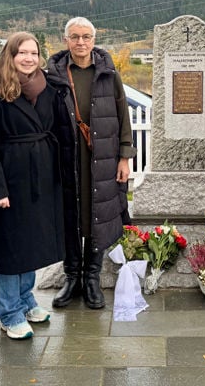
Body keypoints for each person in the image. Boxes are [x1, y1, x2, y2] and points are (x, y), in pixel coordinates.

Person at [0, 32, 64, 339]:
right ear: (10, 56)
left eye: (33, 53)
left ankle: (26, 300)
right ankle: (8, 311)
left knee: (32, 244)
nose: (28, 58)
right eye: (22, 53)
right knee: (11, 247)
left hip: (41, 175)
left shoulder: (47, 87)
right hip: (11, 176)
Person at [47, 17, 136, 309]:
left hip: (103, 158)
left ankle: (92, 279)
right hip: (67, 158)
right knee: (70, 215)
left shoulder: (108, 73)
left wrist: (124, 156)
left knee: (98, 214)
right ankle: (72, 277)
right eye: (75, 37)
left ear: (94, 40)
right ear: (66, 40)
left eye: (86, 36)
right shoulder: (54, 76)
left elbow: (123, 116)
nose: (81, 42)